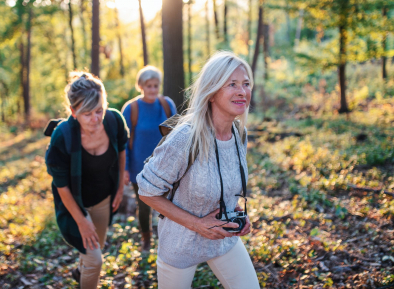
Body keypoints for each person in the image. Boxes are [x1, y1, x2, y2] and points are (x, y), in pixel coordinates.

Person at [136, 52, 260, 289]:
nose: (242, 91)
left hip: (223, 239)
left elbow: (226, 182)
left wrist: (237, 212)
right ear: (212, 92)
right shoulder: (185, 138)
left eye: (246, 84)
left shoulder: (239, 134)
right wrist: (197, 224)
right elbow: (146, 191)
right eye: (231, 84)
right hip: (180, 246)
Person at [45, 72, 129, 288]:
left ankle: (80, 272)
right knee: (95, 260)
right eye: (87, 114)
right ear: (73, 112)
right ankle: (86, 275)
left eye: (99, 110)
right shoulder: (62, 136)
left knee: (95, 246)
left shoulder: (114, 121)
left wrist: (119, 187)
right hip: (74, 203)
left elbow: (121, 152)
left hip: (103, 198)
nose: (95, 119)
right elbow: (61, 185)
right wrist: (82, 221)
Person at [121, 66, 177, 251]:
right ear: (141, 86)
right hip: (140, 168)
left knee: (168, 206)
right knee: (144, 206)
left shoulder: (167, 105)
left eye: (155, 85)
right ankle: (146, 239)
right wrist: (125, 169)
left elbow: (178, 136)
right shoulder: (131, 109)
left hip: (166, 166)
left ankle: (167, 241)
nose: (153, 90)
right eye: (149, 86)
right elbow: (124, 142)